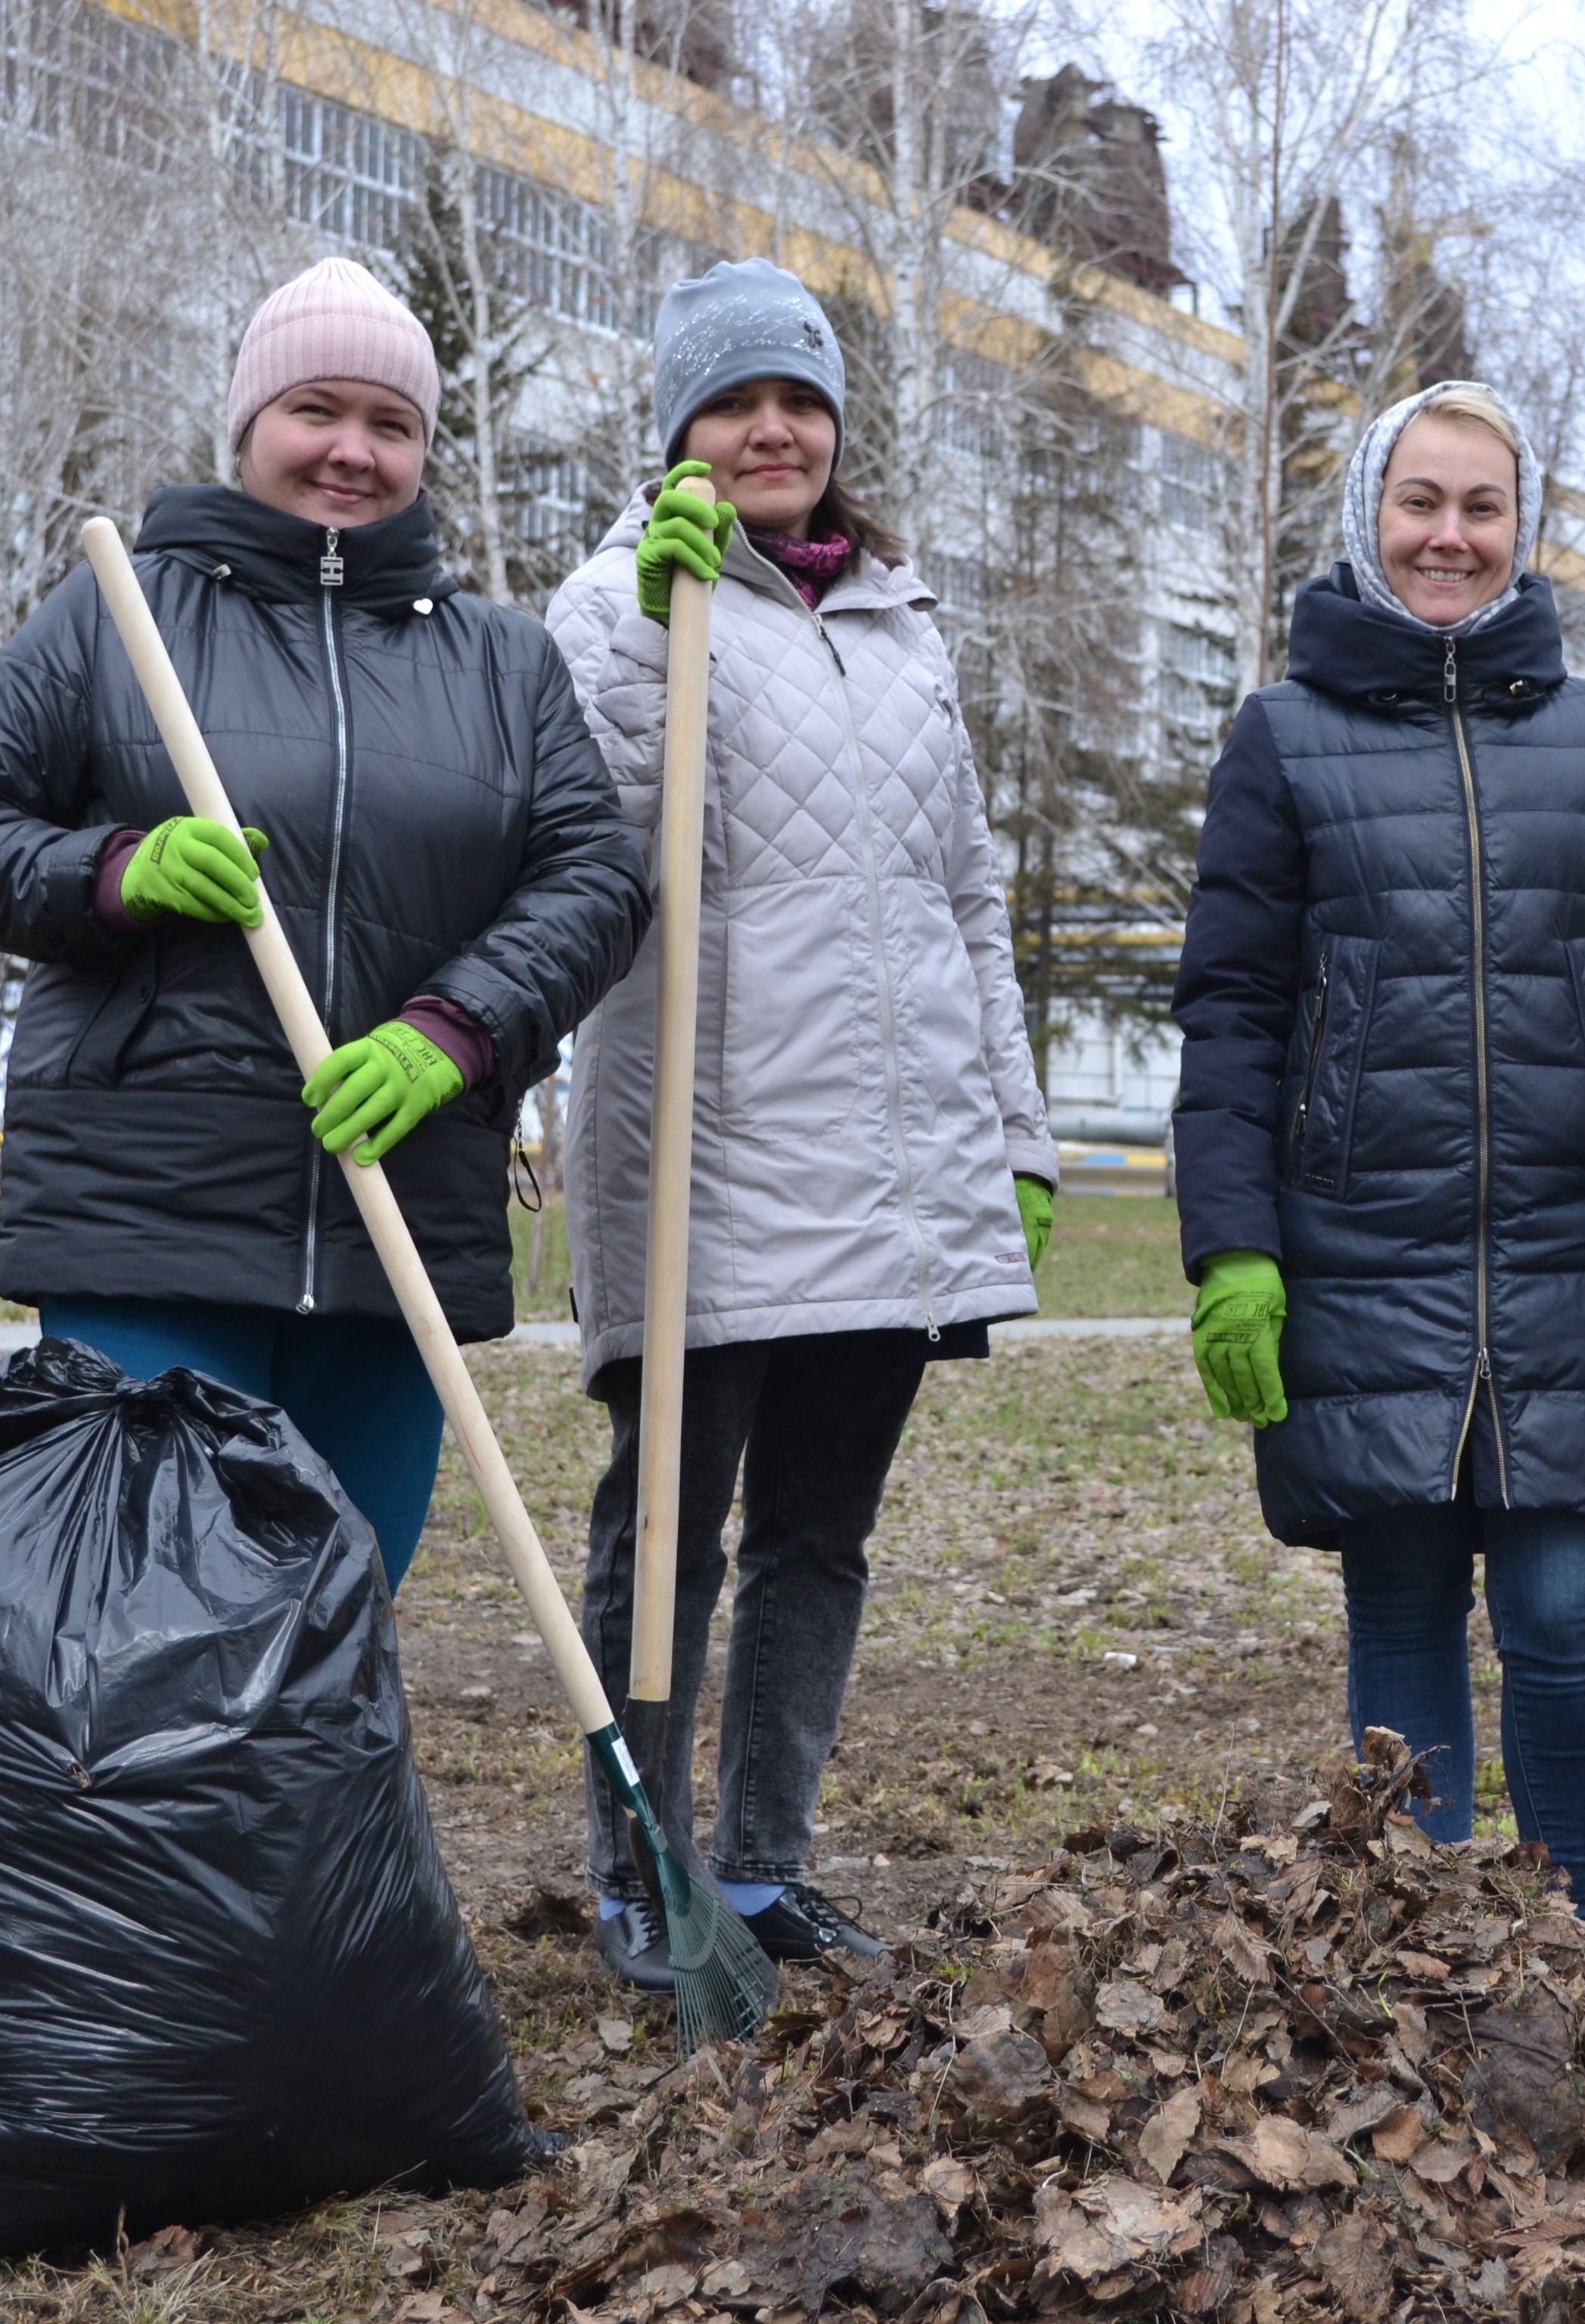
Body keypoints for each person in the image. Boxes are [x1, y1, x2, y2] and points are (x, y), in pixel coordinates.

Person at [0, 256, 649, 1593]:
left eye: (393, 424)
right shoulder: (115, 615)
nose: (351, 452)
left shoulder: (501, 661)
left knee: (335, 1629)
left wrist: (456, 1030)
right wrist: (115, 872)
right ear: (247, 424)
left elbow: (594, 882)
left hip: (396, 1220)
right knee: (140, 1631)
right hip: (151, 1214)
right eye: (317, 410)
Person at [1168, 380, 1585, 1928]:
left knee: (1569, 1611)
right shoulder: (1281, 741)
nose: (1451, 535)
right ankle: (1419, 1944)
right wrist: (1233, 1248)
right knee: (1407, 1600)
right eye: (1419, 502)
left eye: (1481, 506)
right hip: (1366, 1247)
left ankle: (1567, 1940)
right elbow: (1230, 1013)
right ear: (1369, 519)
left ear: (1523, 527)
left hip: (1581, 1252)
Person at [545, 259, 1057, 1988]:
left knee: (818, 1534)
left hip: (894, 1170)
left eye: (798, 399)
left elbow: (963, 896)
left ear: (834, 424)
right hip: (708, 1152)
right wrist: (648, 631)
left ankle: (760, 1867)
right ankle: (643, 1862)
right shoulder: (616, 597)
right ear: (678, 425)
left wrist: (1021, 1129)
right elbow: (595, 856)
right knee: (668, 1530)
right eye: (732, 400)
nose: (771, 428)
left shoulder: (901, 622)